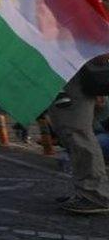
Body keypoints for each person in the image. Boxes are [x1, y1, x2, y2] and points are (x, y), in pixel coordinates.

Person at [47, 66, 109, 214]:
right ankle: (87, 191)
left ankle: (96, 195)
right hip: (63, 77)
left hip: (72, 75)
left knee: (76, 134)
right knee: (70, 134)